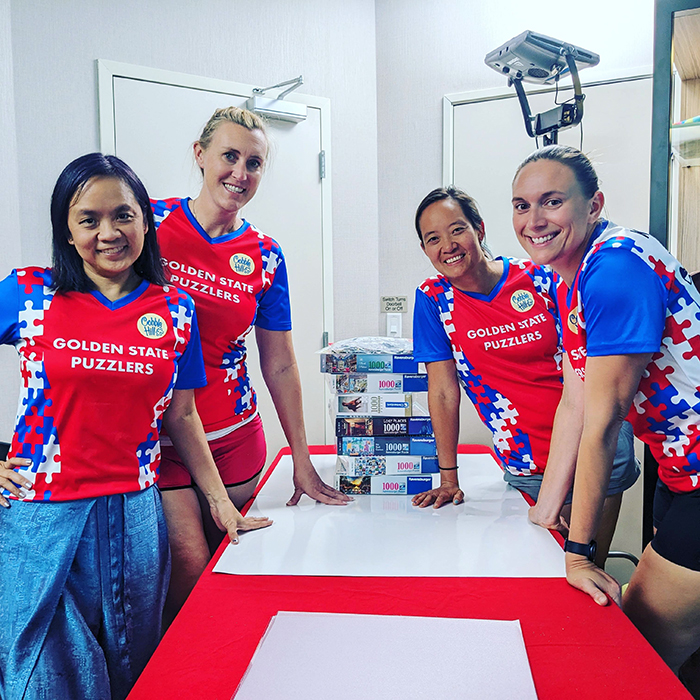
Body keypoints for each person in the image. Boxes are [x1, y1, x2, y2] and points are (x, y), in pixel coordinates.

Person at [0, 153, 270, 700]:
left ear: (146, 221)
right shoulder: (29, 293)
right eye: (88, 219)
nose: (108, 233)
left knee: (134, 667)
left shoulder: (175, 310)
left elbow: (183, 415)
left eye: (123, 215)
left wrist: (220, 504)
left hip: (136, 514)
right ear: (66, 229)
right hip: (43, 512)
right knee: (42, 679)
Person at [151, 106, 350, 625]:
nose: (240, 173)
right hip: (159, 441)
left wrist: (301, 458)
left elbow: (279, 362)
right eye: (230, 156)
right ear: (200, 155)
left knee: (237, 568)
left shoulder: (264, 254)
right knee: (189, 565)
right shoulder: (148, 223)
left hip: (235, 436)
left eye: (254, 163)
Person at [511, 144, 700, 687]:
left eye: (551, 202)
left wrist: (579, 553)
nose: (534, 220)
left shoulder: (614, 267)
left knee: (638, 648)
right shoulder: (566, 271)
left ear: (593, 204)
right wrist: (545, 513)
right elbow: (573, 400)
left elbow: (602, 420)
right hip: (678, 465)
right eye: (521, 205)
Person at [411, 186, 638, 567]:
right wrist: (448, 477)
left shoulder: (541, 278)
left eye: (457, 229)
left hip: (594, 448)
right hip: (527, 463)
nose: (447, 245)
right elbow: (444, 392)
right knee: (533, 574)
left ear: (479, 229)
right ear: (425, 249)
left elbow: (585, 371)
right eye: (433, 239)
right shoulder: (432, 298)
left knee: (583, 571)